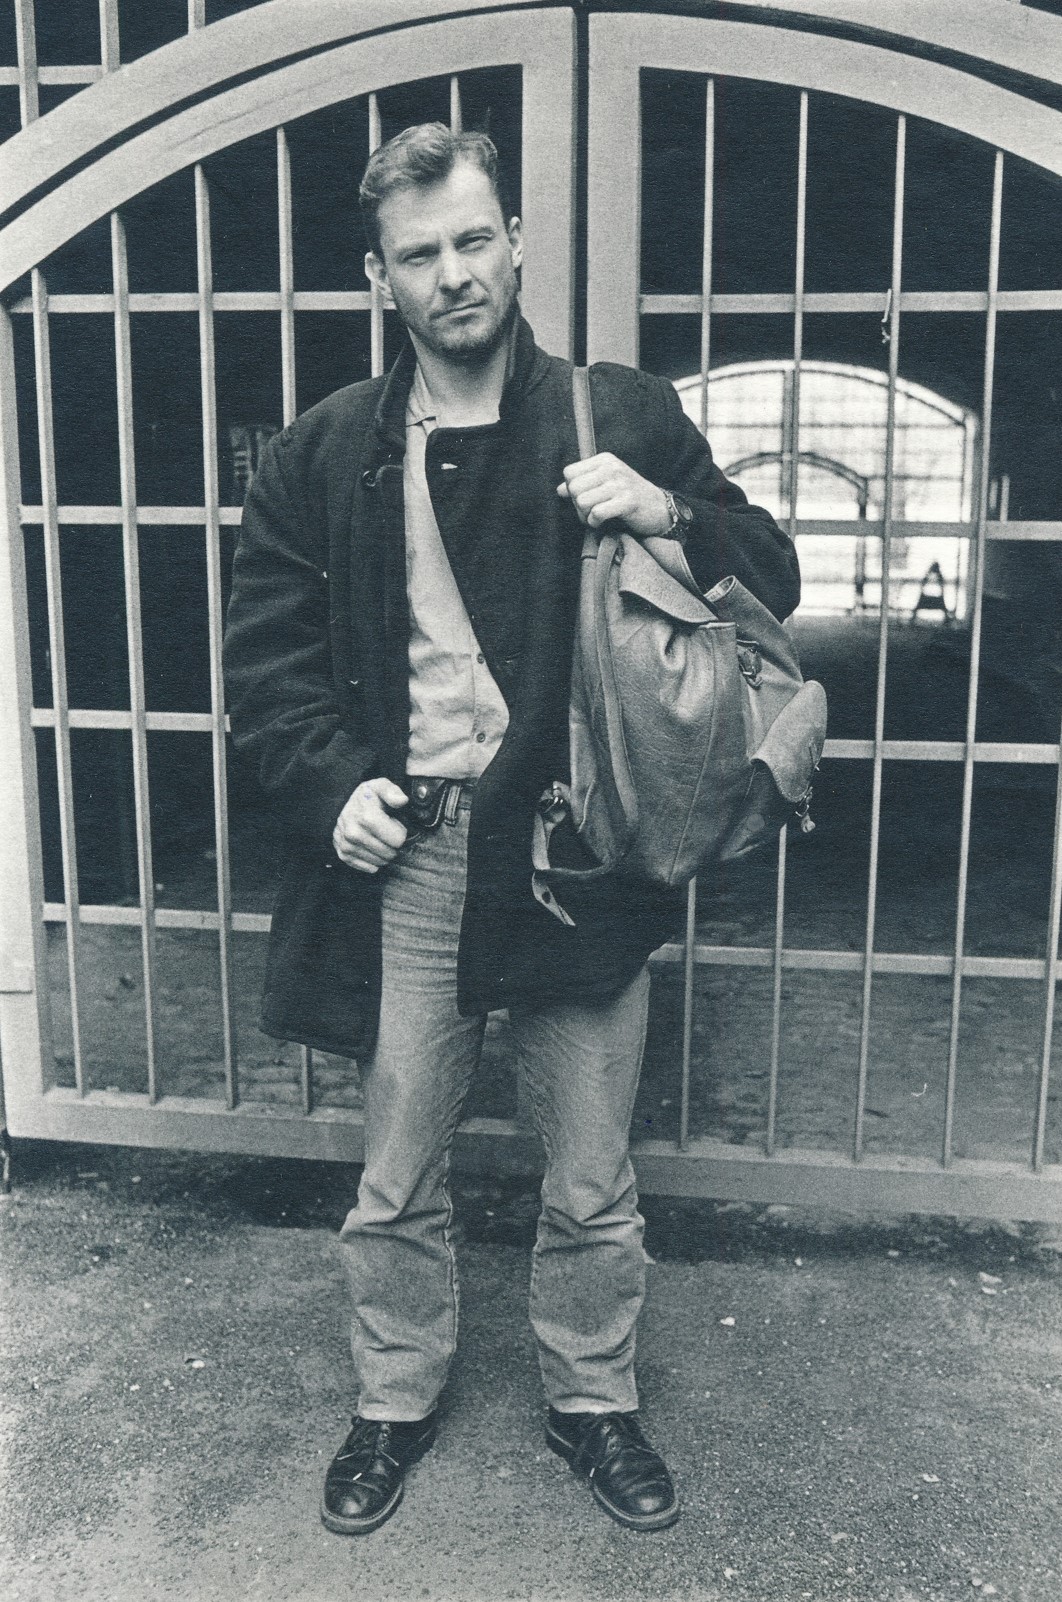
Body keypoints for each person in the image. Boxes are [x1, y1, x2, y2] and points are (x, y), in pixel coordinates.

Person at [223, 121, 799, 1538]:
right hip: (415, 856)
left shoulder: (621, 412)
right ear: (380, 279)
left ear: (518, 243)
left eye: (474, 238)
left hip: (576, 852)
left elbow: (772, 572)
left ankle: (592, 1400)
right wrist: (330, 784)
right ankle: (395, 1396)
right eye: (419, 253)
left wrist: (665, 508)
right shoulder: (319, 454)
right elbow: (265, 668)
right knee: (394, 1172)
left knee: (592, 1174)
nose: (454, 273)